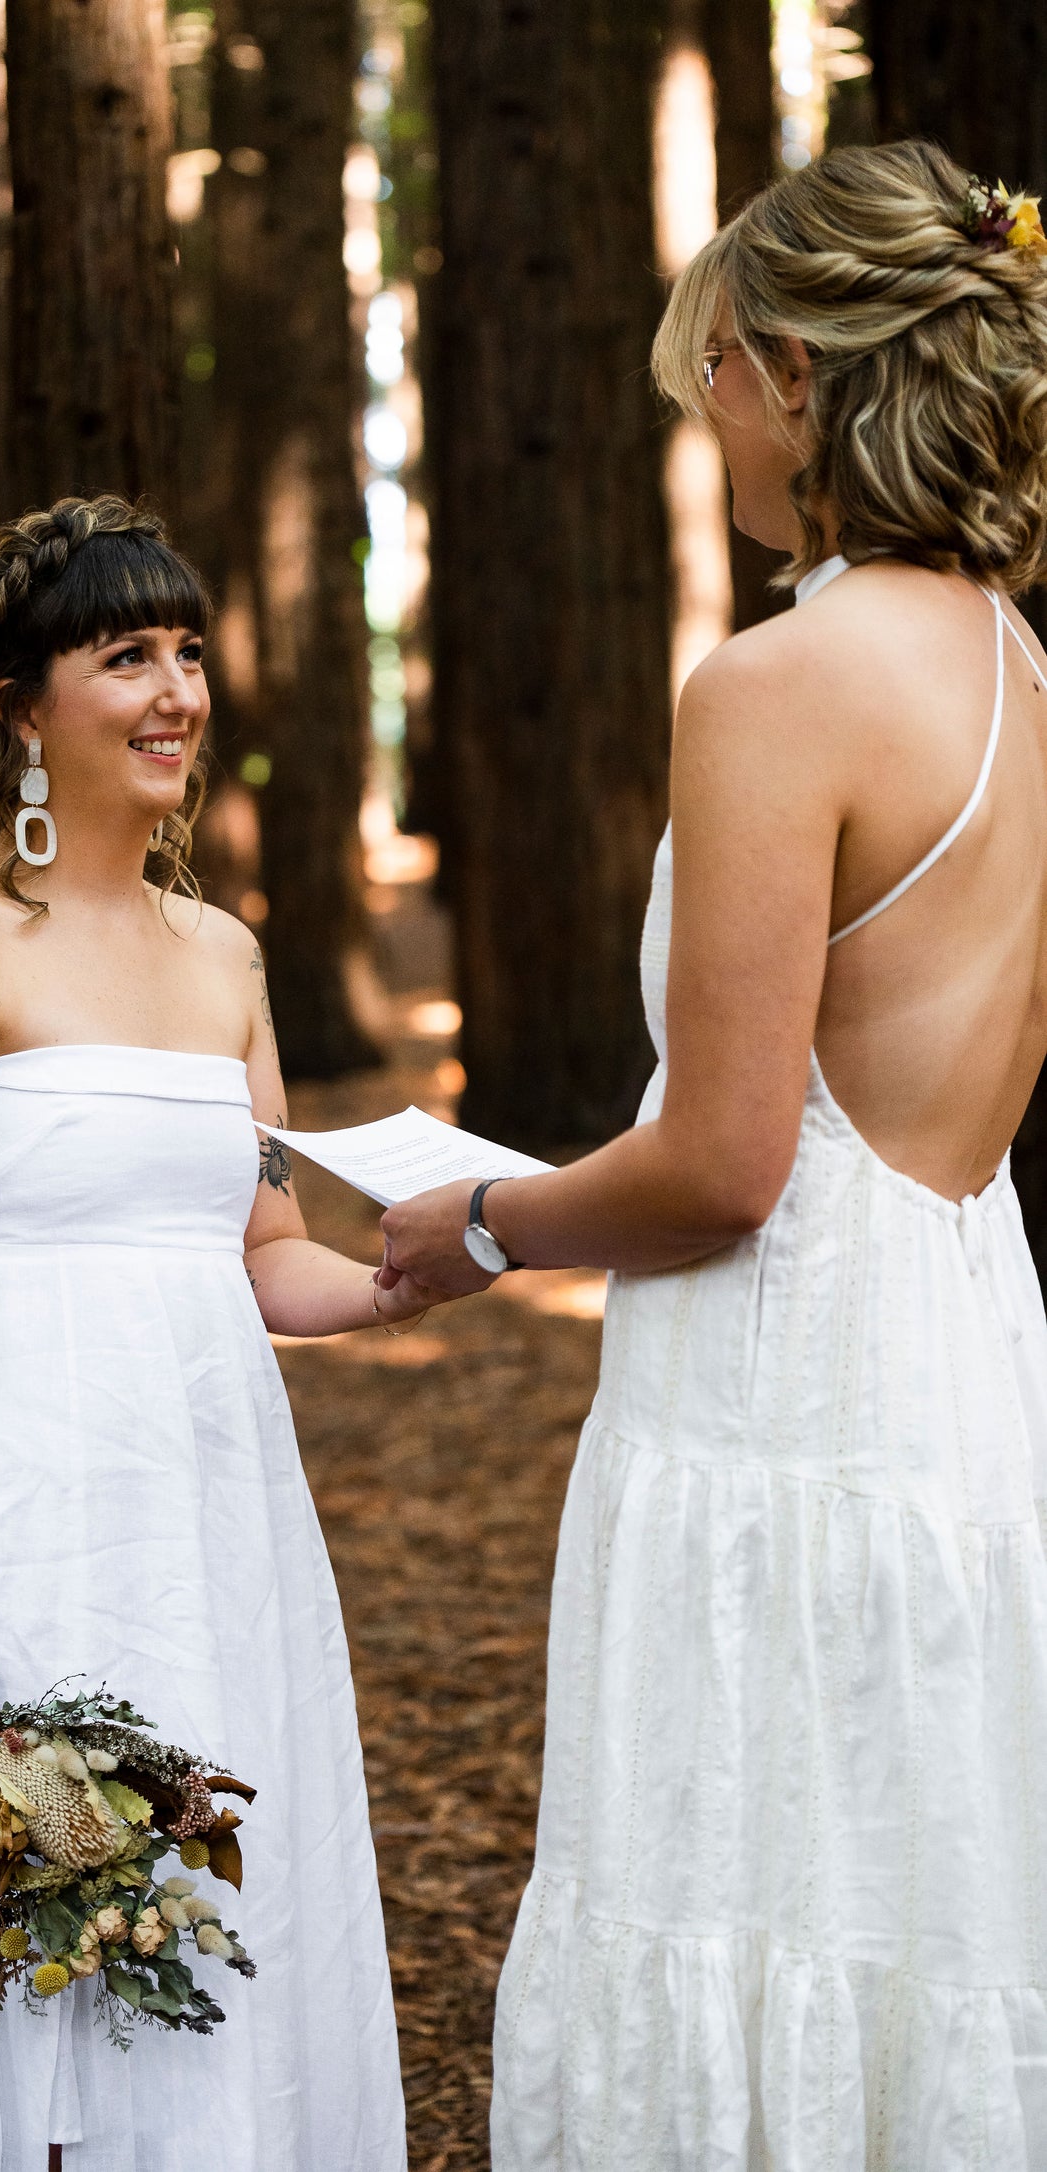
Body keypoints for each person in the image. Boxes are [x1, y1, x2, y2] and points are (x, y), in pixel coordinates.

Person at [379, 142, 1047, 2166]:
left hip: (781, 1407)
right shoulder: (1021, 676)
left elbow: (731, 1164)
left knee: (745, 1891)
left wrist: (474, 1224)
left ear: (796, 376)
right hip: (957, 1358)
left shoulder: (777, 689)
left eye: (712, 382)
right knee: (910, 1902)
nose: (704, 427)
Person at [0, 496, 434, 2172]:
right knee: (35, 1917)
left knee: (212, 1892)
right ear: (16, 706)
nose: (176, 692)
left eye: (189, 652)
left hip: (213, 1506)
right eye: (124, 654)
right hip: (17, 1502)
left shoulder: (223, 954)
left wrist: (402, 1281)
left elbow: (266, 1249)